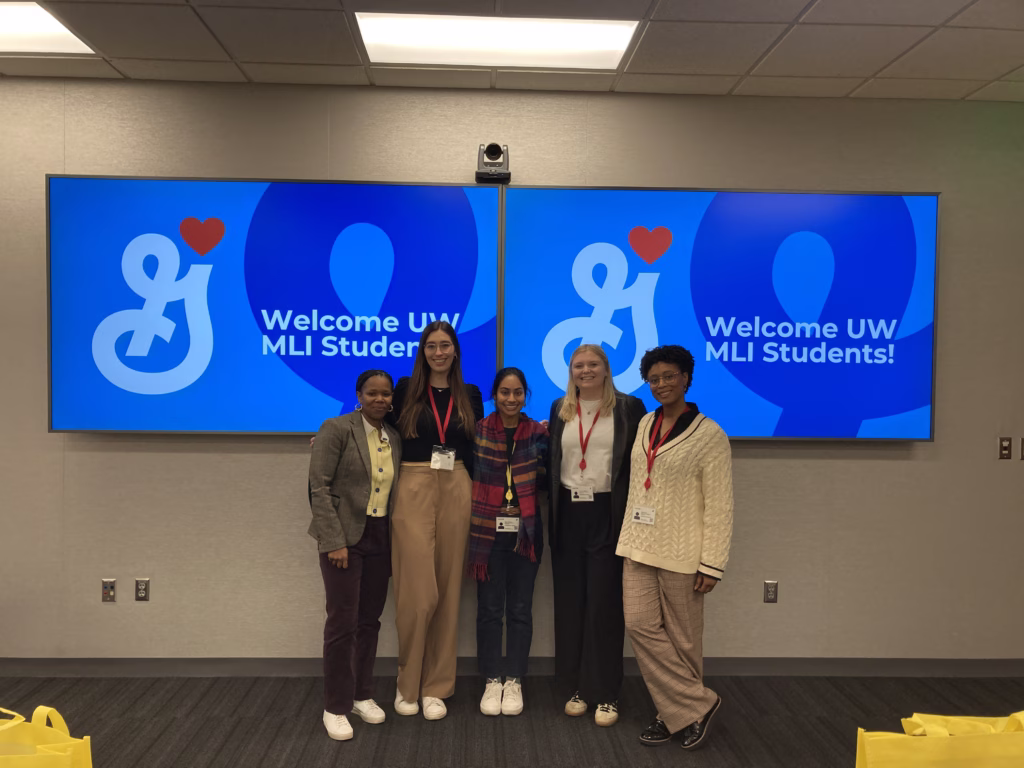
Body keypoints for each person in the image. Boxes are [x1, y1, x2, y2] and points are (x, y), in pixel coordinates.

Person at [616, 345, 734, 751]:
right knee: (639, 625)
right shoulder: (645, 422)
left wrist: (712, 563)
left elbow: (720, 503)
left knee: (684, 640)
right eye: (654, 378)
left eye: (670, 376)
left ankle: (674, 715)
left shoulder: (710, 434)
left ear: (686, 378)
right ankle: (699, 704)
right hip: (638, 545)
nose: (661, 384)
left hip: (684, 552)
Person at [388, 321, 484, 721]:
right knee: (416, 591)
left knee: (447, 589)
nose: (439, 352)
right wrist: (336, 436)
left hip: (458, 484)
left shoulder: (472, 394)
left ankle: (437, 687)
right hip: (413, 483)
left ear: (456, 350)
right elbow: (376, 424)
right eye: (431, 345)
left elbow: (485, 440)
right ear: (422, 350)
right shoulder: (405, 387)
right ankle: (407, 682)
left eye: (445, 345)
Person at [547, 344, 646, 727]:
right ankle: (573, 687)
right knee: (570, 603)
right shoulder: (559, 409)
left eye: (593, 364)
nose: (585, 371)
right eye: (578, 366)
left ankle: (606, 693)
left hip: (609, 513)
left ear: (606, 370)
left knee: (604, 604)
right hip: (568, 514)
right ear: (570, 371)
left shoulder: (628, 408)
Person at [308, 369, 401, 741]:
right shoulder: (336, 428)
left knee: (369, 621)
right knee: (342, 623)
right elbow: (319, 487)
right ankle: (336, 705)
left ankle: (363, 695)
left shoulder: (392, 435)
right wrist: (333, 541)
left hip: (381, 536)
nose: (380, 399)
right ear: (359, 395)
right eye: (372, 393)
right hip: (344, 538)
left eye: (386, 394)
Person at [468, 367, 549, 717]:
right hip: (487, 532)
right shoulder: (478, 431)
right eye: (504, 392)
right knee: (488, 610)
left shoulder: (539, 433)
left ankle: (514, 679)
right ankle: (491, 679)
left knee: (519, 609)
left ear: (525, 395)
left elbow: (554, 474)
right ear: (494, 394)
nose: (511, 399)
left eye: (517, 392)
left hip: (526, 533)